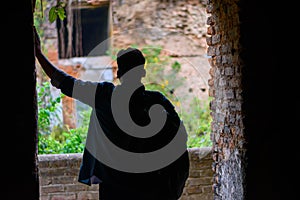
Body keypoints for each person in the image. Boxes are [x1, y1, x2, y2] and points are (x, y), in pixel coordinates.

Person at [34, 27, 189, 200]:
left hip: (114, 188)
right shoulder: (158, 101)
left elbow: (65, 82)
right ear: (142, 72)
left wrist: (39, 54)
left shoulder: (103, 96)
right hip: (151, 186)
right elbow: (180, 138)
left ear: (119, 73)